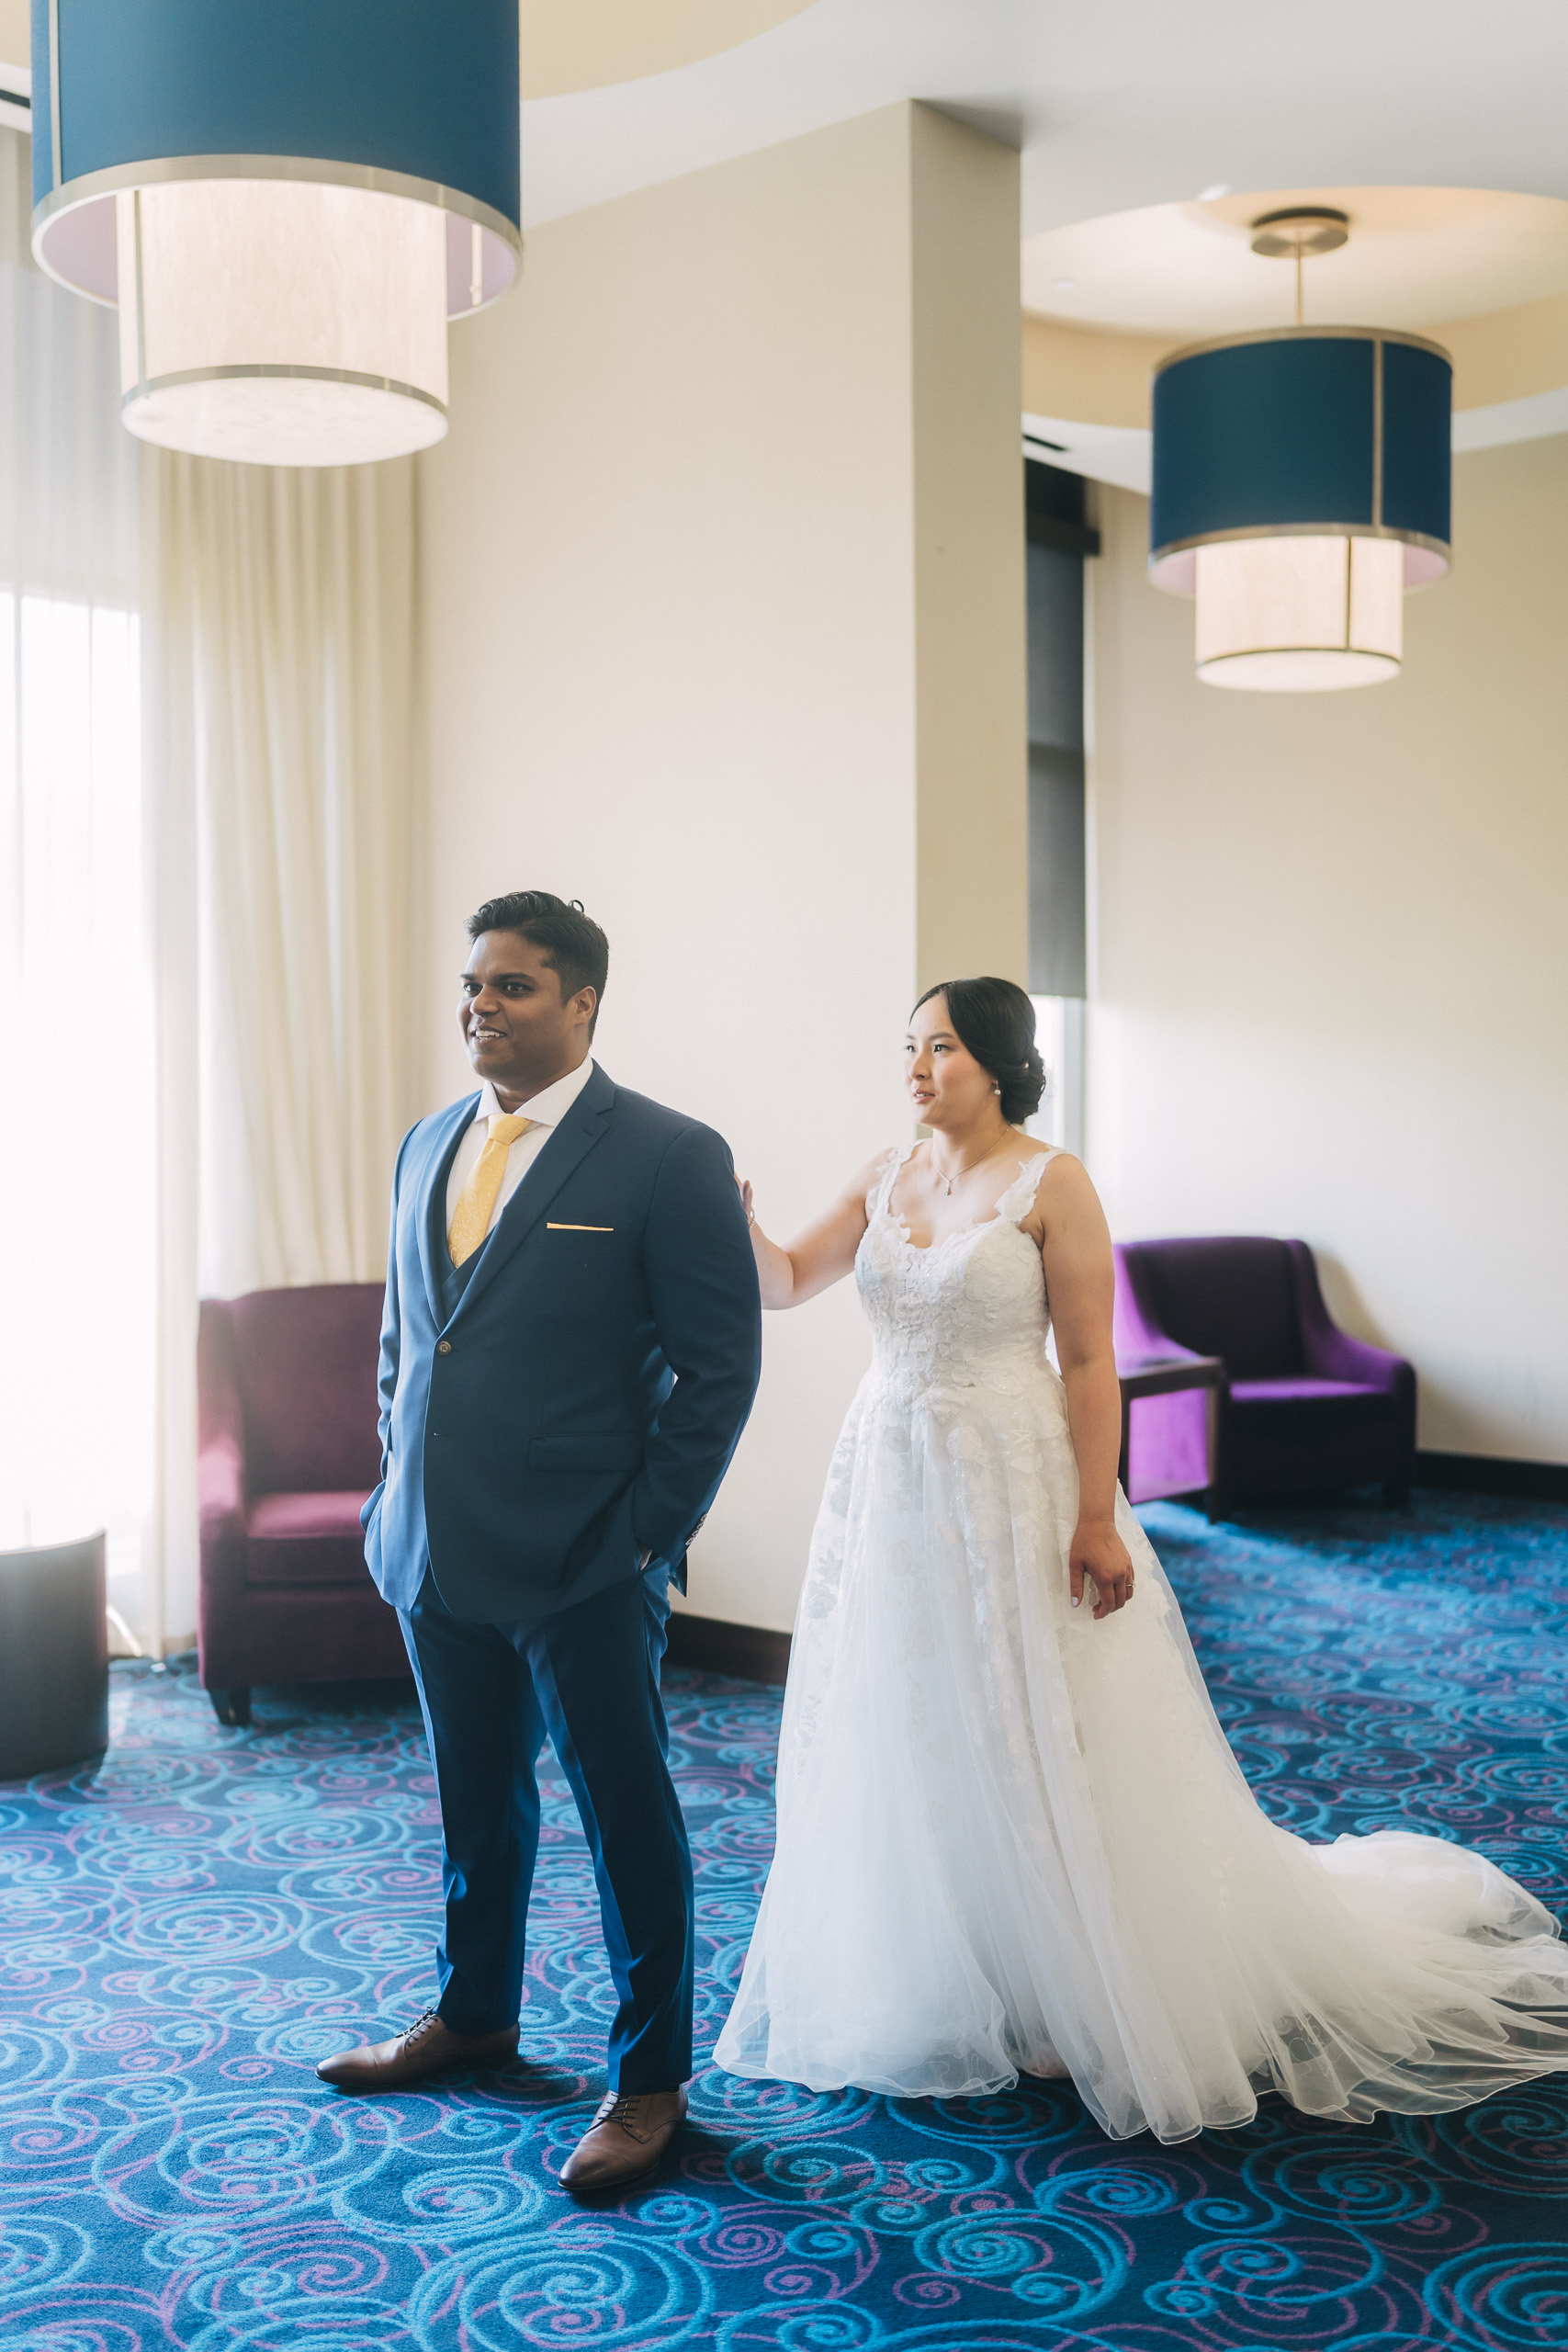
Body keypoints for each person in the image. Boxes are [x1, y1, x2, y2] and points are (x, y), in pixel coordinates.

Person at [714, 976, 1568, 2142]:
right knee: (916, 1707)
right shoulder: (885, 1173)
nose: (916, 1067)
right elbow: (784, 1281)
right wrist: (734, 1221)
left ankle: (1074, 1970)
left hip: (1009, 1476)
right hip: (893, 1475)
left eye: (942, 1046)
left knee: (1033, 1711)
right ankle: (964, 1963)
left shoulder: (1052, 1181)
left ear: (999, 1062)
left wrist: (1096, 1516)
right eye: (909, 1046)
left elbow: (1087, 1362)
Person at [318, 891, 761, 2192]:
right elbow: (408, 1339)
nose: (480, 1006)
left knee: (627, 1819)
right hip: (432, 1550)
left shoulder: (668, 1155)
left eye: (510, 986)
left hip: (585, 1562)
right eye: (472, 984)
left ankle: (648, 2080)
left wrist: (644, 1536)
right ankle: (474, 2014)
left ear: (582, 1002)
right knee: (475, 1802)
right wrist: (390, 1485)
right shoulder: (427, 1141)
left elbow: (720, 1370)